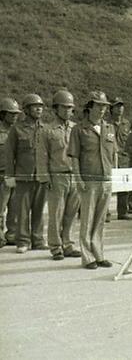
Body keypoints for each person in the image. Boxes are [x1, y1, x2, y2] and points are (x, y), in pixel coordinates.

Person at [68, 91, 116, 269]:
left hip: (106, 179)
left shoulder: (109, 128)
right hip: (88, 180)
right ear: (90, 107)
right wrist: (78, 178)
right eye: (99, 105)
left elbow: (114, 154)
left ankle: (99, 254)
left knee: (101, 219)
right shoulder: (79, 129)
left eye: (105, 106)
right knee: (87, 219)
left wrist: (114, 175)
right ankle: (87, 257)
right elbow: (74, 156)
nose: (102, 109)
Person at [4, 93, 48, 253]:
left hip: (41, 176)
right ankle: (22, 241)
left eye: (41, 106)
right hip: (23, 176)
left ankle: (38, 239)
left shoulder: (46, 129)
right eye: (35, 106)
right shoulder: (17, 129)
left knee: (39, 210)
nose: (39, 109)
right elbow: (10, 154)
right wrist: (9, 176)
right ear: (26, 109)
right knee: (22, 211)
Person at [45, 90, 81, 260]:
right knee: (56, 213)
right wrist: (45, 178)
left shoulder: (76, 128)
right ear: (55, 109)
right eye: (64, 107)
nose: (68, 111)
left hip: (74, 175)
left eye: (70, 108)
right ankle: (55, 246)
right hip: (57, 176)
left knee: (71, 212)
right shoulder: (48, 130)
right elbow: (42, 155)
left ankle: (68, 244)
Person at [0, 98, 22, 248]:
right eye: (11, 113)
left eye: (16, 114)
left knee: (15, 207)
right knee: (1, 207)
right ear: (3, 114)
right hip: (1, 174)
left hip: (15, 174)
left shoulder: (18, 131)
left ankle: (12, 234)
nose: (14, 116)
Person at [108, 97, 132, 221]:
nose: (119, 109)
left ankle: (122, 211)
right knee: (107, 186)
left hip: (124, 158)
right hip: (110, 158)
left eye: (121, 106)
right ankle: (105, 212)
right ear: (111, 109)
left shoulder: (127, 124)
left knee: (124, 186)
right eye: (117, 107)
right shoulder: (106, 124)